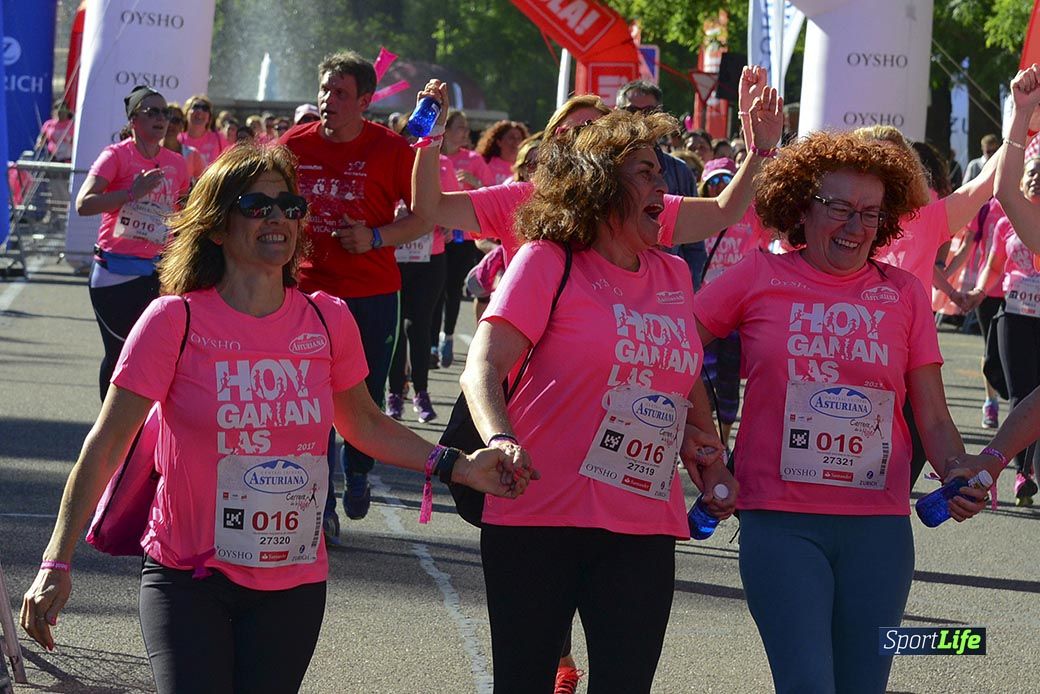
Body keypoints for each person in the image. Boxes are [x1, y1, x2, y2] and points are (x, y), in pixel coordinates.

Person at [19, 144, 528, 693]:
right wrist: (56, 563)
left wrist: (459, 467)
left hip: (293, 583)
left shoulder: (327, 318)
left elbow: (364, 424)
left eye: (289, 206)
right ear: (216, 227)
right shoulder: (174, 320)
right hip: (188, 577)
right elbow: (106, 443)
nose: (278, 218)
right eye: (255, 206)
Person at [693, 131, 989, 694]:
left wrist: (957, 468)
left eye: (871, 213)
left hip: (878, 530)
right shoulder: (760, 276)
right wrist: (704, 442)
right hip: (779, 523)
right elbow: (673, 346)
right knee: (807, 683)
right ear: (802, 206)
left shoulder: (903, 293)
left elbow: (931, 414)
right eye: (839, 208)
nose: (856, 227)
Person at [460, 107, 736, 693]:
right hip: (538, 512)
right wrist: (500, 438)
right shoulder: (547, 261)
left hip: (642, 520)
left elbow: (681, 381)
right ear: (599, 182)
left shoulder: (673, 276)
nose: (663, 184)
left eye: (662, 171)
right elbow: (483, 365)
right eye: (645, 172)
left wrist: (706, 450)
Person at [412, 67, 783, 274]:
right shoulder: (519, 199)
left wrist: (759, 146)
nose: (577, 137)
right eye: (568, 129)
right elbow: (430, 207)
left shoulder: (632, 203)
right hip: (517, 379)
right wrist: (432, 137)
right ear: (551, 140)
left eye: (591, 130)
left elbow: (724, 211)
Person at [279, 50, 431, 540]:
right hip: (306, 291)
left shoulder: (390, 149)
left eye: (341, 93)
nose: (328, 100)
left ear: (365, 100)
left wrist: (376, 237)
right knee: (311, 400)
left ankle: (359, 469)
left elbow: (424, 217)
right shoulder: (292, 145)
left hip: (372, 293)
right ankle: (320, 504)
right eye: (324, 89)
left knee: (361, 399)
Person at [75, 85, 191, 401]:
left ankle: (140, 433)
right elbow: (84, 204)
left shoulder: (177, 163)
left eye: (165, 113)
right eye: (151, 112)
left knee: (152, 356)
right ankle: (110, 430)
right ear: (134, 119)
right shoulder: (116, 156)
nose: (161, 118)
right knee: (120, 354)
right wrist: (131, 194)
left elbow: (182, 214)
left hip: (158, 275)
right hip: (114, 274)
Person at [964, 157, 1040, 505]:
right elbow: (994, 265)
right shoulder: (1006, 222)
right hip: (1015, 316)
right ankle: (1022, 472)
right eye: (1033, 172)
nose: (1037, 178)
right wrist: (976, 294)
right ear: (1023, 180)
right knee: (1021, 393)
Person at [696, 157, 772, 444]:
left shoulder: (752, 214)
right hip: (701, 311)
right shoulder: (697, 213)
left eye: (727, 180)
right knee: (702, 380)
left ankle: (723, 440)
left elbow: (777, 236)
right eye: (714, 181)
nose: (720, 186)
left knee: (728, 384)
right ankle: (705, 435)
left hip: (739, 314)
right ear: (703, 185)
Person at [615, 80, 706, 289]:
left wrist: (687, 289)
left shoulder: (680, 171)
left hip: (665, 287)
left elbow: (694, 245)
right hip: (615, 282)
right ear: (616, 113)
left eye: (648, 111)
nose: (639, 117)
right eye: (630, 110)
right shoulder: (605, 167)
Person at [432, 109, 496, 367]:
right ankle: (432, 344)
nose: (466, 133)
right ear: (445, 130)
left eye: (467, 129)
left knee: (452, 289)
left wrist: (474, 180)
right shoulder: (431, 157)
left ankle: (447, 337)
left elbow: (493, 192)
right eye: (460, 128)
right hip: (435, 235)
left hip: (465, 236)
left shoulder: (474, 159)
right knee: (435, 291)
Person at [179, 94, 227, 167]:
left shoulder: (219, 138)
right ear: (186, 113)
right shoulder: (178, 139)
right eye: (195, 106)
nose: (200, 111)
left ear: (209, 118)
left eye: (205, 108)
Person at [476, 119, 529, 185]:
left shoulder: (527, 167)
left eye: (519, 138)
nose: (516, 142)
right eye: (511, 138)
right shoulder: (485, 163)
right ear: (499, 142)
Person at [161, 103, 204, 180]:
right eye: (167, 119)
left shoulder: (192, 154)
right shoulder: (150, 153)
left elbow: (201, 183)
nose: (170, 124)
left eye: (175, 120)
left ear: (182, 125)